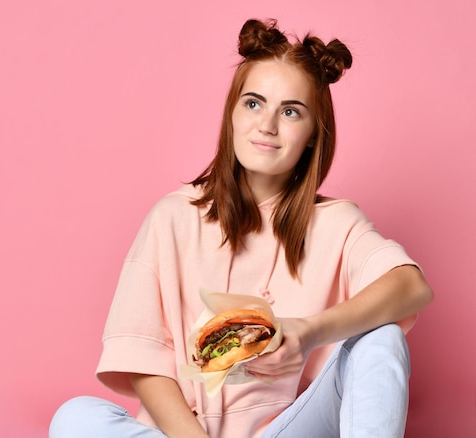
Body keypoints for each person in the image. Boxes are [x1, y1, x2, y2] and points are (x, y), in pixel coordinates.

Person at [49, 18, 433, 438]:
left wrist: (308, 333)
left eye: (290, 111)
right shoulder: (173, 218)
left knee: (381, 339)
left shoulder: (336, 222)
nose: (267, 125)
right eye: (253, 103)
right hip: (190, 432)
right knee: (76, 417)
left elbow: (411, 286)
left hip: (289, 428)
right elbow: (145, 363)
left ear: (311, 135)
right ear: (232, 113)